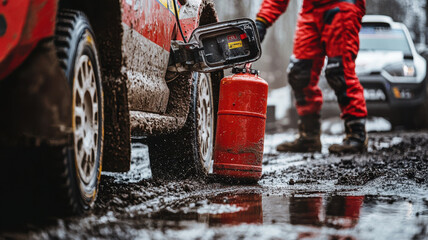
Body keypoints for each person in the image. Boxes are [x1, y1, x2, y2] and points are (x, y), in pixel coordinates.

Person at [256, 0, 368, 153]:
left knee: (339, 71)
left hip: (342, 6)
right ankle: (309, 137)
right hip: (311, 9)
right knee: (299, 73)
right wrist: (262, 21)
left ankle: (357, 134)